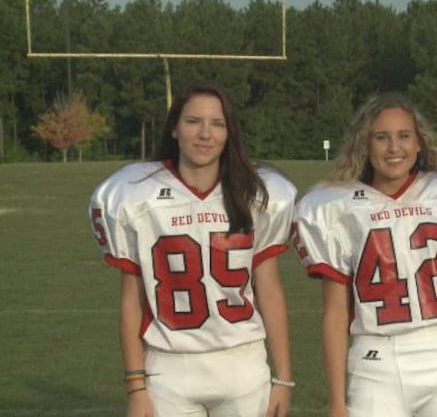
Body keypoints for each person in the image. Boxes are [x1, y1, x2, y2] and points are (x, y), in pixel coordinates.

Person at [88, 82, 296, 417]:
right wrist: (135, 385)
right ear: (173, 128)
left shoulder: (257, 193)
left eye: (217, 124)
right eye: (192, 121)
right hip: (169, 368)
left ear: (229, 133)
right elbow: (132, 297)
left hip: (242, 363)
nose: (205, 134)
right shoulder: (136, 193)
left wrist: (284, 378)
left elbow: (269, 288)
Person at [291, 91, 437, 417]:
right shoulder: (335, 205)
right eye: (381, 138)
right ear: (365, 144)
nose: (394, 148)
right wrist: (336, 401)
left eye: (404, 136)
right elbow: (335, 314)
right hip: (375, 360)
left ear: (419, 143)